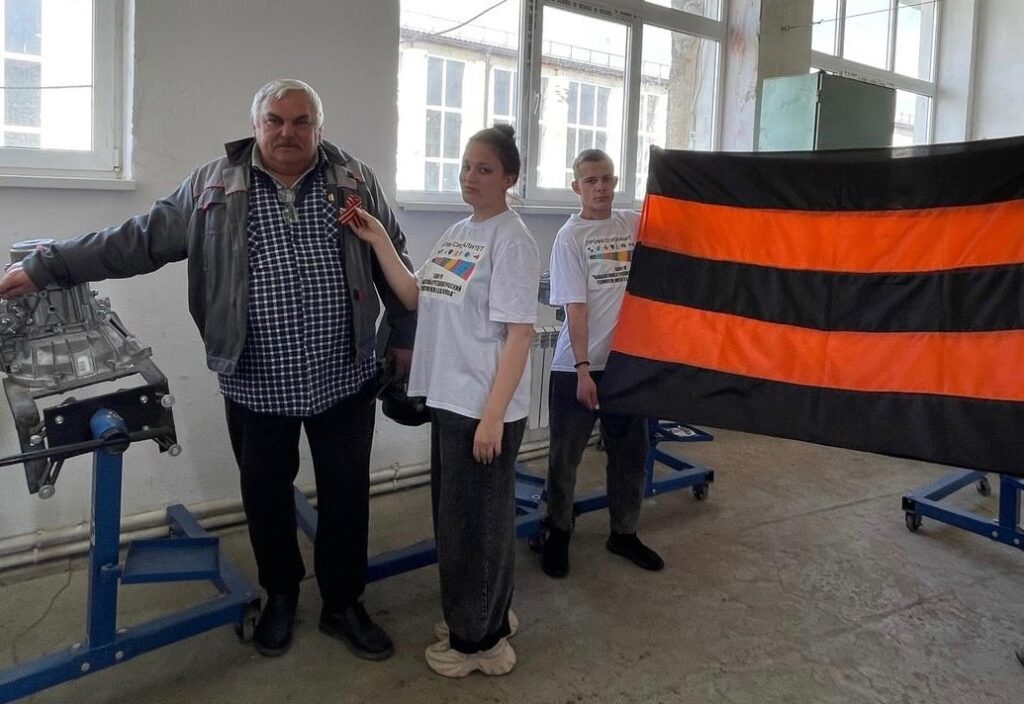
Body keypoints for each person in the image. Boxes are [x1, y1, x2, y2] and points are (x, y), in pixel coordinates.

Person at [0, 79, 415, 661]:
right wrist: (48, 266)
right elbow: (137, 240)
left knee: (346, 496)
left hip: (344, 374)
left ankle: (344, 603)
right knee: (265, 496)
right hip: (256, 378)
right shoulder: (212, 185)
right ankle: (281, 595)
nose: (288, 132)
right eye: (275, 120)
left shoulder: (355, 180)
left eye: (301, 121)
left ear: (319, 128)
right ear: (255, 125)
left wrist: (404, 337)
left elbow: (394, 254)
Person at [383, 124, 539, 678]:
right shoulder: (459, 233)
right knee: (462, 523)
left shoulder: (512, 241)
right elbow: (413, 293)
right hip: (450, 400)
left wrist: (493, 417)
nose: (470, 177)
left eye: (484, 169)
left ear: (510, 178)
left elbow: (520, 334)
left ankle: (481, 643)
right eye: (466, 166)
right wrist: (377, 236)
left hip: (482, 407)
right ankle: (484, 614)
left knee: (477, 529)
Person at [537, 148, 664, 579]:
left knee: (630, 453)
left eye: (607, 179)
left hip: (625, 366)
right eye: (591, 181)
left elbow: (678, 221)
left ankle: (624, 532)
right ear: (577, 187)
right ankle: (557, 531)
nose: (601, 188)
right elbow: (575, 309)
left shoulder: (630, 223)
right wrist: (583, 369)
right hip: (578, 367)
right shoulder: (570, 238)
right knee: (565, 458)